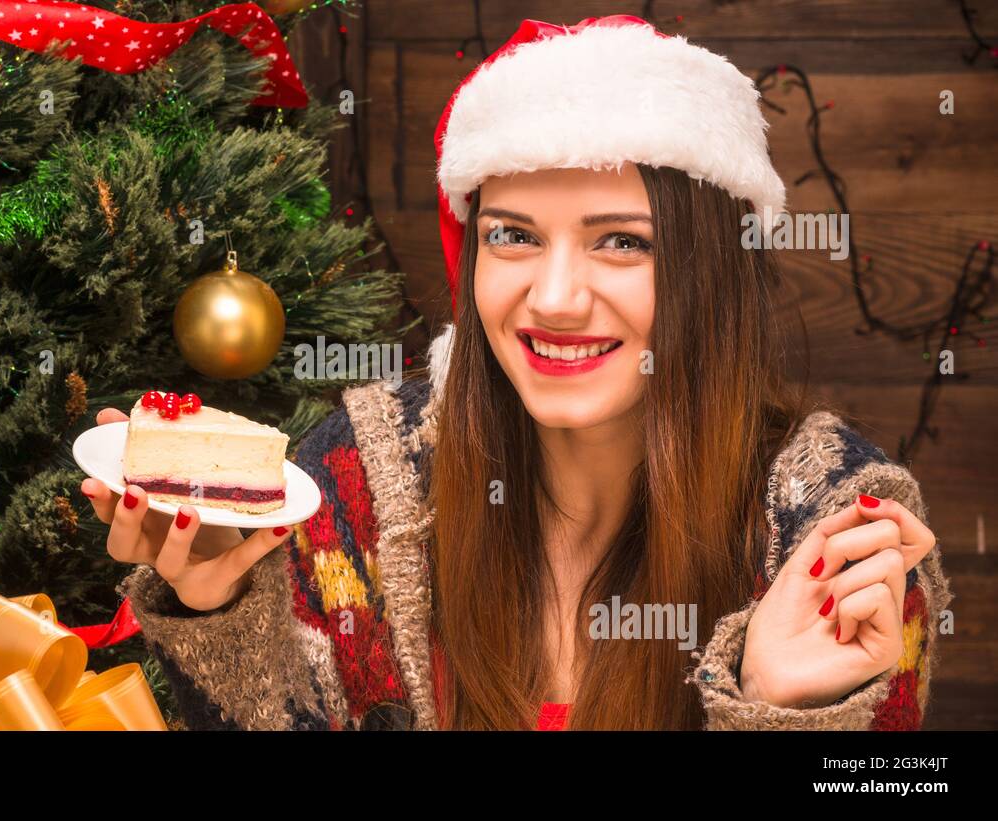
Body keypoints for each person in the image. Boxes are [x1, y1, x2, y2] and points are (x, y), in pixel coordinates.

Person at [80, 15, 952, 730]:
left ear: (712, 272)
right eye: (514, 235)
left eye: (623, 242)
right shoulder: (352, 484)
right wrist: (218, 612)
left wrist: (778, 709)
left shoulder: (834, 539)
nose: (556, 299)